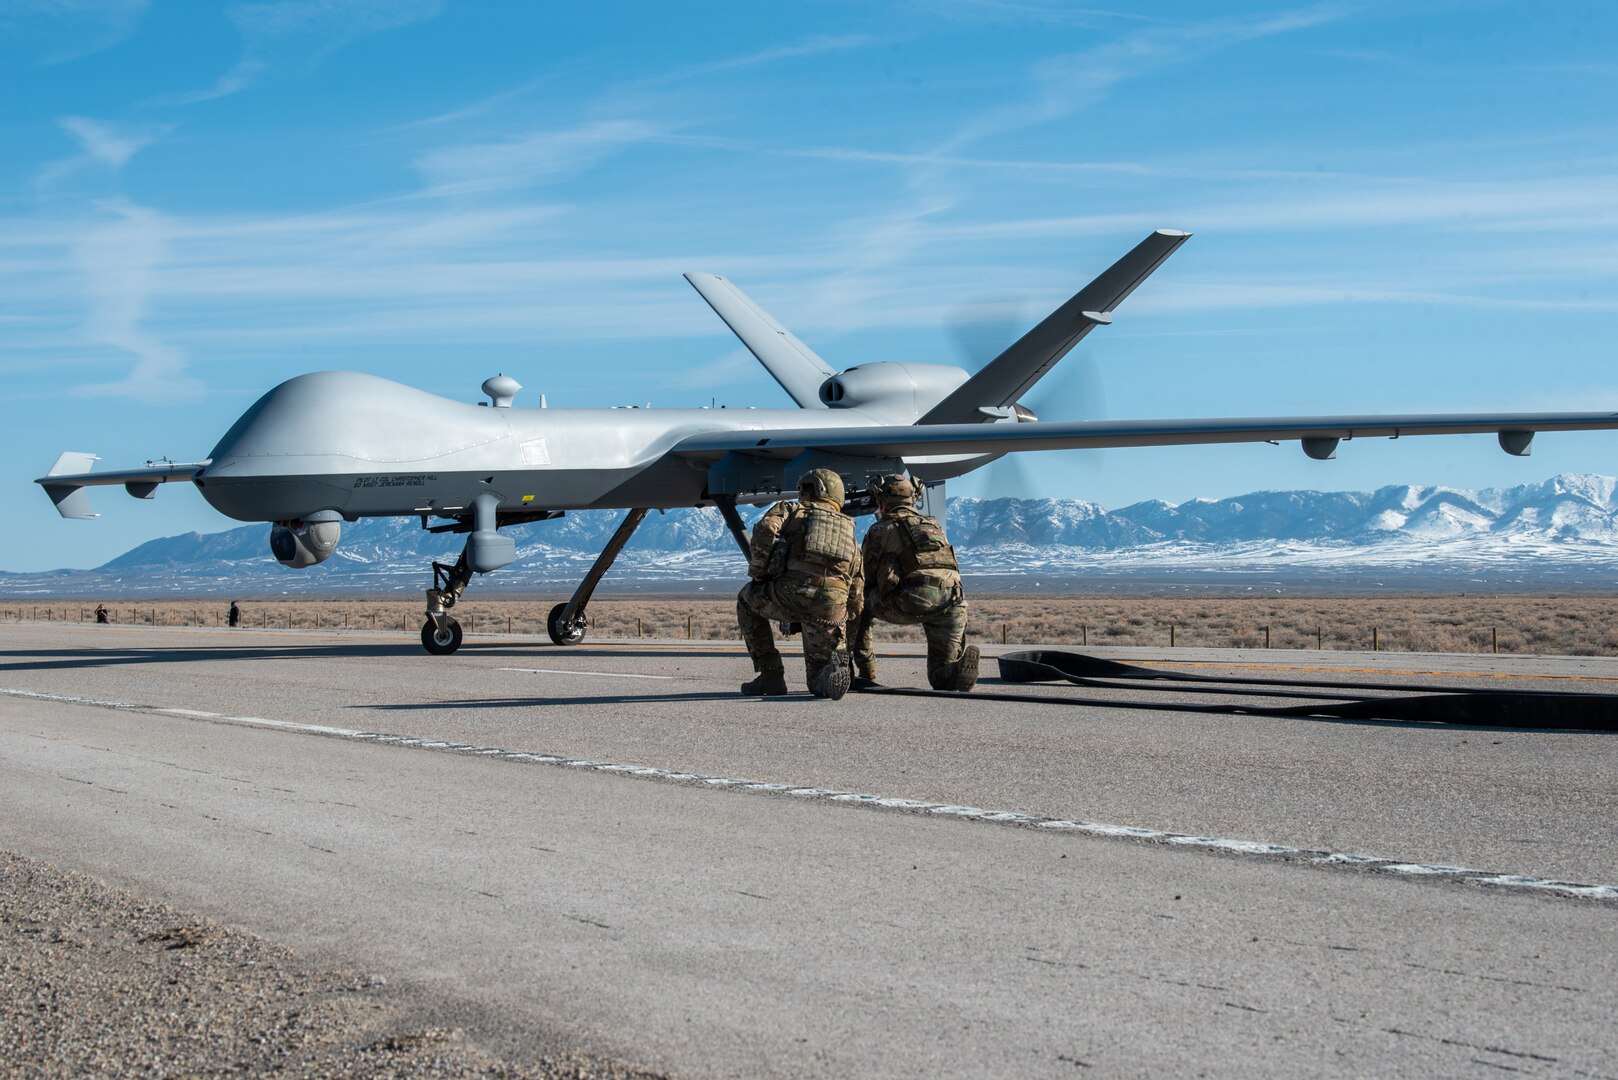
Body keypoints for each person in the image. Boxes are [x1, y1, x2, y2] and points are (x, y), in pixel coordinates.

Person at [737, 468, 863, 699]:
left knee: (746, 600)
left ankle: (771, 674)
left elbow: (766, 528)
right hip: (831, 606)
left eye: (803, 489)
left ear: (813, 490)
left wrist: (758, 572)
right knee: (817, 681)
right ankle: (833, 668)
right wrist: (843, 620)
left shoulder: (792, 509)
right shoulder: (849, 530)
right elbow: (856, 585)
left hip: (790, 594)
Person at [851, 473, 979, 692]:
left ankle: (866, 674)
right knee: (940, 678)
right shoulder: (933, 525)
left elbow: (865, 578)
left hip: (912, 601)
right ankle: (956, 670)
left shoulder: (881, 529)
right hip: (953, 602)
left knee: (858, 602)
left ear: (881, 502)